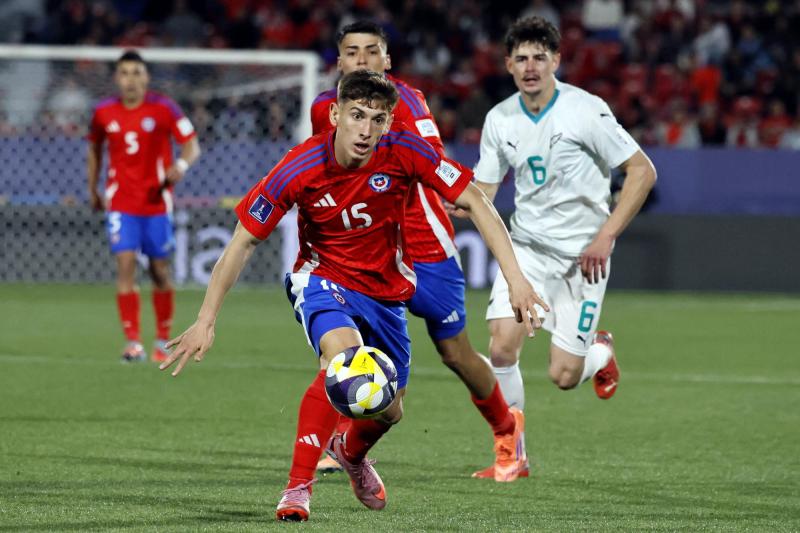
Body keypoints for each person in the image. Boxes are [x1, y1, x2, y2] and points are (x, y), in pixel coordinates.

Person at [160, 71, 546, 521]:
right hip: (323, 280)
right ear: (335, 114)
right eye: (357, 116)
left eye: (377, 119)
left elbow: (476, 201)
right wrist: (206, 319)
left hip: (385, 294)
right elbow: (242, 241)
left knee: (390, 410)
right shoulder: (299, 166)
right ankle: (297, 489)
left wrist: (516, 278)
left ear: (388, 122)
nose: (366, 129)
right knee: (342, 360)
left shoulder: (404, 149)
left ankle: (351, 454)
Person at [310, 21, 529, 481]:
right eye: (353, 53)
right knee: (341, 346)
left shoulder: (406, 103)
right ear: (340, 61)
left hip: (425, 250)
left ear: (387, 60)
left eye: (373, 52)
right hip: (365, 253)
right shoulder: (323, 110)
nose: (363, 60)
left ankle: (507, 430)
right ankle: (340, 446)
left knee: (455, 353)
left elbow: (430, 158)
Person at [463, 16, 657, 477]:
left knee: (564, 376)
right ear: (508, 64)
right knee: (502, 346)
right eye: (521, 58)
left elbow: (642, 170)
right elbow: (484, 191)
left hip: (583, 258)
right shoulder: (500, 118)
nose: (530, 66)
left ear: (556, 60)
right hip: (527, 248)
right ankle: (513, 455)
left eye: (539, 57)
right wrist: (460, 205)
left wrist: (606, 235)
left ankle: (601, 352)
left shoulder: (585, 110)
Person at [87, 50, 201, 363]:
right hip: (121, 202)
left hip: (155, 204)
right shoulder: (103, 112)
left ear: (146, 76)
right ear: (116, 78)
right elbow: (94, 150)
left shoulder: (164, 108)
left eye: (137, 72)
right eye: (125, 73)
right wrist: (93, 189)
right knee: (125, 265)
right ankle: (132, 342)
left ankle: (163, 340)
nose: (131, 79)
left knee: (159, 271)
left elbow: (191, 144)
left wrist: (180, 165)